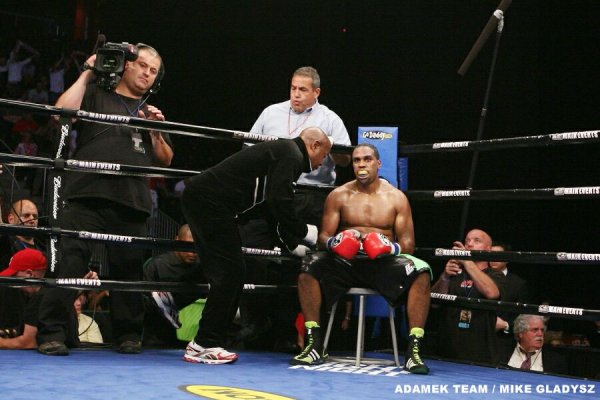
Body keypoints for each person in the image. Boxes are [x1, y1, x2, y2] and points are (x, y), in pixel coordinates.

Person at [36, 42, 173, 356]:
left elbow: (166, 159)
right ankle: (52, 333)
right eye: (143, 66)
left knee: (128, 270)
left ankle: (128, 335)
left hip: (132, 199)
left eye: (154, 71)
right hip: (87, 192)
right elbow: (60, 114)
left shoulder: (150, 110)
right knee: (69, 262)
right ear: (127, 65)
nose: (147, 74)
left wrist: (156, 131)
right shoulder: (96, 93)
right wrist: (87, 72)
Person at [180, 127, 332, 364]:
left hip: (208, 203)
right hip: (210, 204)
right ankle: (204, 343)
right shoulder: (291, 154)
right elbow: (280, 201)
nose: (323, 162)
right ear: (314, 145)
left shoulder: (284, 152)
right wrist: (304, 232)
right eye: (324, 155)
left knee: (228, 272)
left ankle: (204, 339)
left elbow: (271, 207)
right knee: (229, 272)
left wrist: (292, 242)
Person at [290, 143, 432, 374]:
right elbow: (323, 237)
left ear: (378, 163)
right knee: (309, 266)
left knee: (421, 272)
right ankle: (314, 344)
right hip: (347, 263)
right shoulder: (339, 195)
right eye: (357, 160)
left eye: (367, 159)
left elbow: (408, 245)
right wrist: (335, 242)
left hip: (382, 264)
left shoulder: (396, 198)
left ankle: (414, 351)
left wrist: (388, 247)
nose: (361, 165)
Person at [242, 66, 352, 350]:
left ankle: (286, 332)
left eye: (303, 89)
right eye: (293, 88)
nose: (296, 94)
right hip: (268, 192)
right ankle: (254, 327)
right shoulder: (271, 112)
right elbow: (247, 147)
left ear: (316, 92)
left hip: (309, 195)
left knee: (296, 263)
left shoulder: (329, 119)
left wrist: (329, 147)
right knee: (254, 253)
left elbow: (345, 159)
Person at [431, 228, 505, 364]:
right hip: (447, 347)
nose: (470, 244)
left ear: (488, 249)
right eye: (467, 241)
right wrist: (445, 277)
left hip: (480, 350)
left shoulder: (495, 274)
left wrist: (467, 261)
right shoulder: (454, 272)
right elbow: (434, 302)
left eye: (477, 241)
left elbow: (492, 293)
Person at [143, 224, 204, 343]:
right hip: (155, 333)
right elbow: (140, 302)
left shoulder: (204, 267)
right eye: (188, 246)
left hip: (194, 335)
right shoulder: (157, 265)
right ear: (177, 240)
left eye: (196, 247)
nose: (193, 252)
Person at [489, 241, 531, 356]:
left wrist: (506, 325)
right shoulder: (478, 277)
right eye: (491, 255)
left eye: (498, 255)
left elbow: (524, 315)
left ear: (507, 259)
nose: (494, 259)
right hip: (477, 335)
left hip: (503, 341)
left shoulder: (519, 284)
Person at [502, 314, 568, 374]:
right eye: (535, 330)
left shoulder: (556, 360)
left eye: (542, 330)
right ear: (520, 333)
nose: (540, 334)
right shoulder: (501, 351)